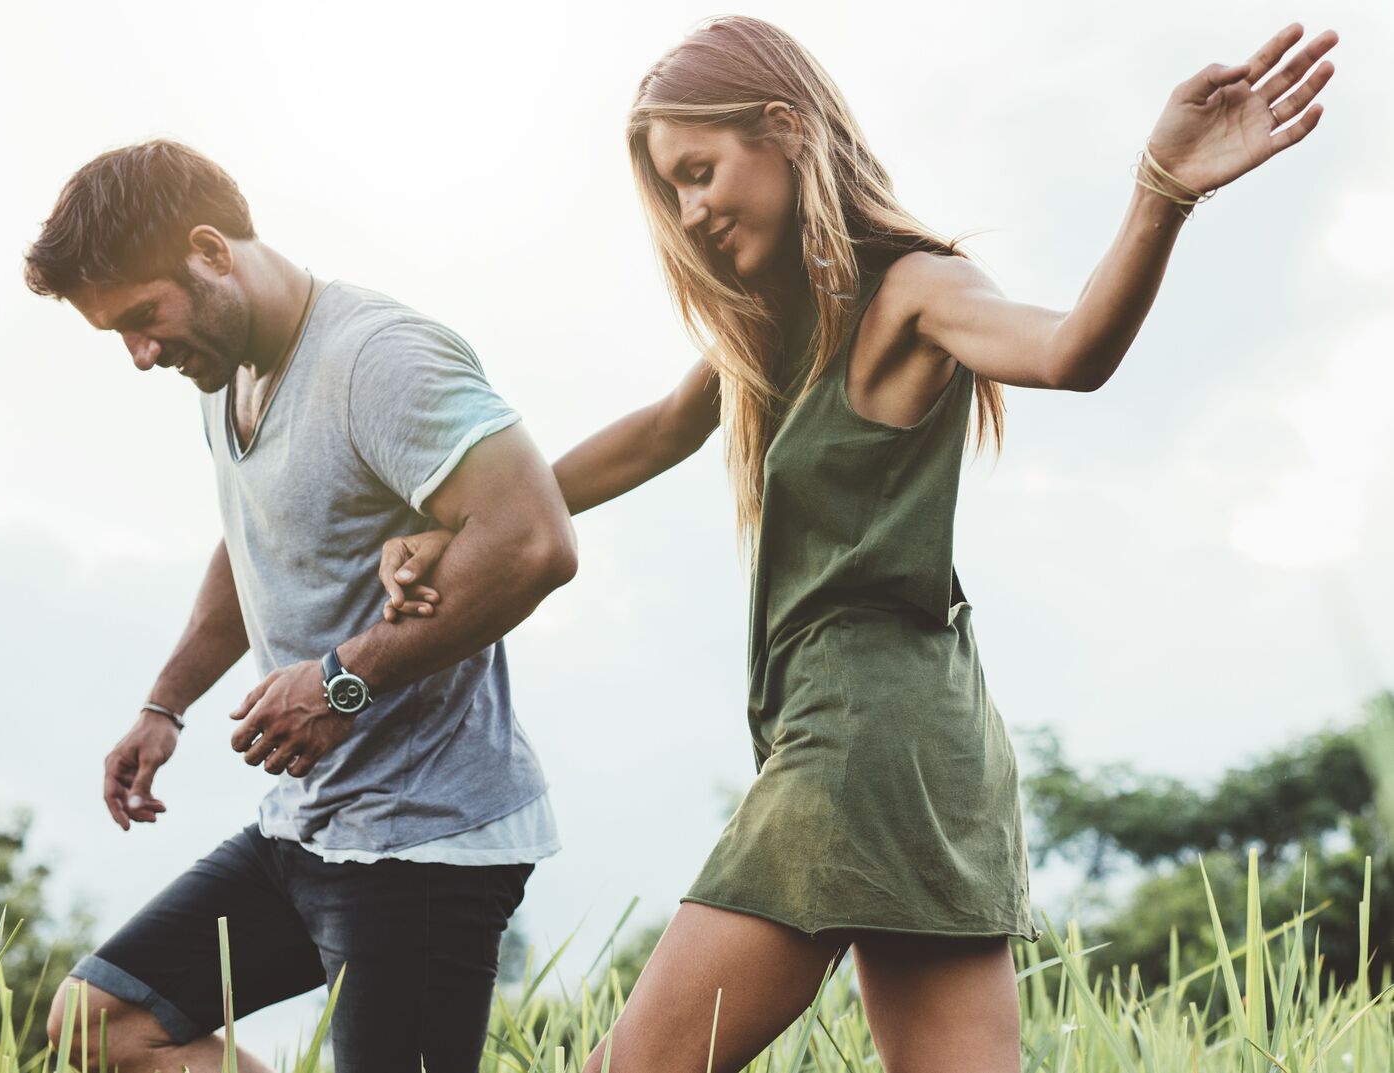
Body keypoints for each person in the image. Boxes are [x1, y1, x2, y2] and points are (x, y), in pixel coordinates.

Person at [377, 16, 1337, 1073]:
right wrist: (467, 517)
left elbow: (1070, 351)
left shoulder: (912, 288)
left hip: (857, 743)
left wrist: (1161, 186)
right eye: (672, 191)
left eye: (701, 171)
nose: (691, 212)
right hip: (932, 748)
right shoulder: (775, 328)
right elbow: (655, 432)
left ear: (785, 131)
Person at [23, 140, 578, 1073]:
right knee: (99, 1019)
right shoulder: (225, 371)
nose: (140, 353)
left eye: (143, 317)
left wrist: (338, 684)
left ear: (210, 250)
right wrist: (166, 704)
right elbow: (252, 538)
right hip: (309, 824)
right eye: (117, 333)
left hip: (427, 841)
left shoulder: (377, 357)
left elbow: (533, 540)